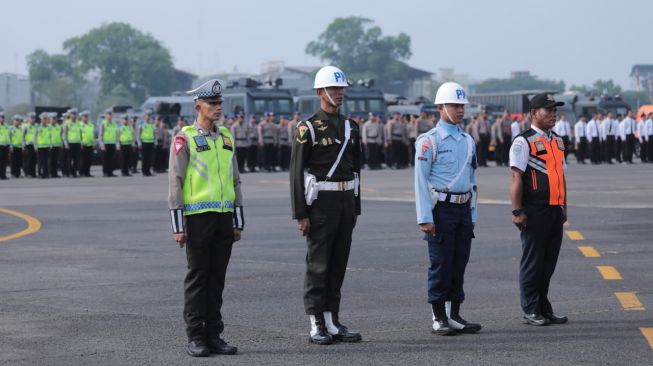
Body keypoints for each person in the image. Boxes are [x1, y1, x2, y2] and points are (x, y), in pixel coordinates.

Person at [168, 79, 243, 357]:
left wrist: (237, 220)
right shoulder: (184, 137)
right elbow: (175, 181)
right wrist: (178, 225)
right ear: (198, 105)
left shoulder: (226, 137)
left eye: (219, 103)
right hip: (198, 217)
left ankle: (214, 334)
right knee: (199, 276)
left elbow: (235, 180)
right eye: (212, 103)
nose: (218, 107)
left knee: (217, 278)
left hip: (224, 217)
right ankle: (195, 335)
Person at [289, 65, 362, 345]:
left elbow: (356, 168)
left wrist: (355, 206)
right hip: (321, 203)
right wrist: (301, 213)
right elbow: (296, 172)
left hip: (345, 200)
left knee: (338, 262)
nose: (339, 93)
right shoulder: (307, 128)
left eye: (341, 88)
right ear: (320, 92)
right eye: (333, 88)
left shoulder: (350, 126)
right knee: (318, 264)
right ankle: (316, 321)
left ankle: (333, 319)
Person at [414, 82, 481, 336]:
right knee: (441, 264)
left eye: (462, 106)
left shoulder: (468, 141)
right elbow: (420, 182)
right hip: (440, 209)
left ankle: (455, 314)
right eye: (455, 105)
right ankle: (438, 316)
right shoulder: (428, 141)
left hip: (463, 209)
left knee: (459, 261)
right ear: (440, 107)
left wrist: (473, 214)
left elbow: (473, 181)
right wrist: (424, 217)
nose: (460, 110)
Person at [509, 93, 568, 327]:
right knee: (533, 262)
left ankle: (544, 306)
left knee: (548, 263)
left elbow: (561, 177)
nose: (553, 114)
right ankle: (530, 308)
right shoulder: (524, 141)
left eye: (555, 110)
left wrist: (564, 207)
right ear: (534, 113)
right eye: (548, 110)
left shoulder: (558, 141)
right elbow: (516, 177)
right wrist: (517, 211)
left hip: (554, 210)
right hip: (534, 210)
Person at [98, 111, 119, 177]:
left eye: (111, 115)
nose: (110, 116)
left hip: (112, 143)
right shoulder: (103, 123)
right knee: (105, 159)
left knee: (112, 159)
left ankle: (110, 172)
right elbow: (100, 135)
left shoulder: (114, 124)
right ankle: (105, 172)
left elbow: (116, 134)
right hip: (105, 144)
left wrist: (117, 143)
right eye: (108, 115)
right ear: (106, 116)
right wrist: (101, 144)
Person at [63, 109, 82, 177]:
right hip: (70, 143)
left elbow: (80, 134)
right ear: (70, 115)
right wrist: (66, 144)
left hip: (77, 143)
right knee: (69, 159)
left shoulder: (78, 123)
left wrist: (81, 143)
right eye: (72, 114)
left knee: (76, 159)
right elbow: (64, 135)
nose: (74, 116)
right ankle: (69, 172)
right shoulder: (67, 123)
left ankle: (74, 172)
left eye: (75, 114)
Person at [138, 111, 155, 176]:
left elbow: (154, 133)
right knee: (144, 158)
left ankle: (148, 171)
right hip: (144, 142)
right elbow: (138, 134)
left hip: (151, 142)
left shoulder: (151, 125)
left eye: (149, 116)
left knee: (149, 158)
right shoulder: (141, 125)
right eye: (147, 116)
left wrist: (154, 141)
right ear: (144, 117)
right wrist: (139, 142)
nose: (148, 117)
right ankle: (144, 171)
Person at [34, 112, 51, 179]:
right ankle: (40, 174)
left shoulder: (49, 127)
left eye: (46, 119)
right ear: (41, 119)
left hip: (46, 147)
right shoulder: (37, 127)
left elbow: (50, 137)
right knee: (40, 161)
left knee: (46, 161)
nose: (45, 120)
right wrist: (35, 146)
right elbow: (34, 138)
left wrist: (50, 145)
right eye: (44, 118)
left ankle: (46, 174)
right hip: (40, 147)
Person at [79, 111, 95, 177]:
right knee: (82, 160)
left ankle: (87, 172)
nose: (86, 118)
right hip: (83, 145)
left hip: (90, 145)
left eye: (87, 116)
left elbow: (92, 135)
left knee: (89, 160)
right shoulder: (79, 125)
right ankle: (81, 172)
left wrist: (93, 144)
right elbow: (78, 135)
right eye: (84, 116)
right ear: (81, 117)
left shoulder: (91, 125)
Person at [23, 112, 37, 177]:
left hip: (35, 145)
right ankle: (28, 173)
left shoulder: (37, 126)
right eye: (31, 118)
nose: (32, 119)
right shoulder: (26, 126)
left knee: (34, 159)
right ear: (28, 119)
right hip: (28, 145)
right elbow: (23, 136)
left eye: (33, 118)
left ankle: (33, 173)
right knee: (29, 159)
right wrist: (23, 145)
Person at [49, 113, 63, 178]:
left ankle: (55, 173)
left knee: (56, 161)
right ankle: (50, 173)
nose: (54, 120)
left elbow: (61, 136)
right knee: (50, 161)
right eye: (52, 119)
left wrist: (61, 144)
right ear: (50, 119)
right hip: (50, 146)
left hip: (57, 145)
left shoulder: (59, 127)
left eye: (55, 119)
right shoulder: (48, 127)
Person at [0, 112, 8, 179]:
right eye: (1, 117)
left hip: (5, 145)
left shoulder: (6, 125)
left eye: (3, 117)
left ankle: (3, 175)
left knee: (4, 161)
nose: (2, 119)